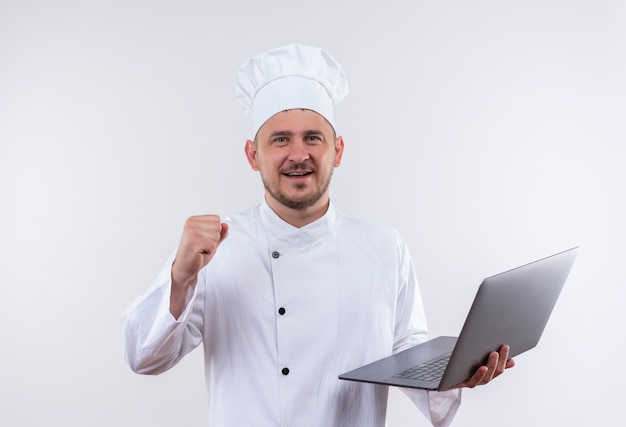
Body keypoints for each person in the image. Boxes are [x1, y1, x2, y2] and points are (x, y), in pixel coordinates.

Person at [122, 43, 514, 427]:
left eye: (313, 137)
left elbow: (408, 356)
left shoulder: (384, 246)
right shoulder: (215, 250)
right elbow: (145, 358)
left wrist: (456, 373)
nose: (298, 154)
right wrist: (180, 276)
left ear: (337, 150)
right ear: (252, 155)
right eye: (280, 139)